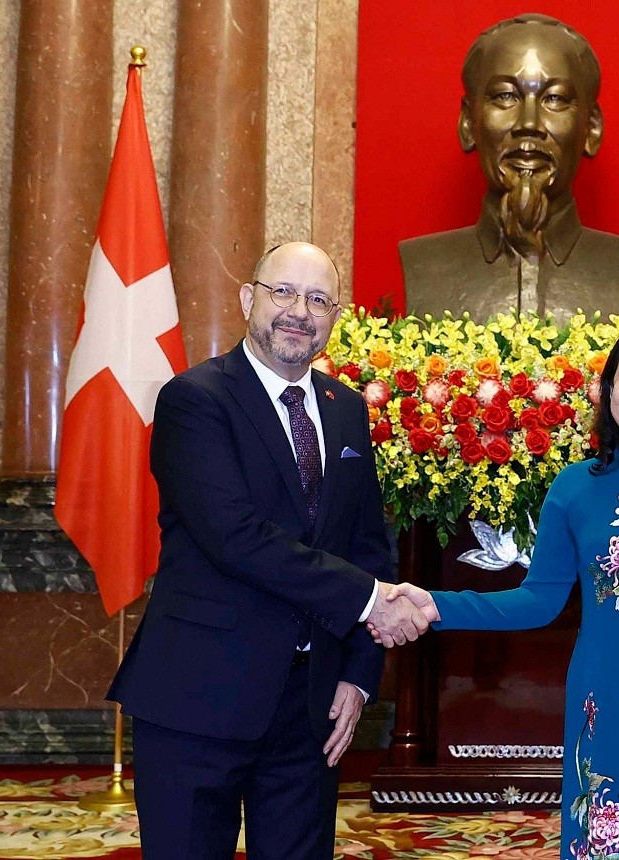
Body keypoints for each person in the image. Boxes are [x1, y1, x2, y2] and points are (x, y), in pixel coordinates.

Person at [378, 320, 619, 859]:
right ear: (608, 391)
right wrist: (435, 603)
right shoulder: (573, 488)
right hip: (604, 698)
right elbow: (537, 600)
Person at [109, 242, 435, 859]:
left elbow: (368, 544)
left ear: (335, 318)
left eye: (318, 300)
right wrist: (373, 603)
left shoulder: (345, 412)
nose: (298, 311)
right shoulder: (194, 401)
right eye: (282, 292)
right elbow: (238, 539)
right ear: (246, 299)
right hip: (198, 700)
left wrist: (358, 676)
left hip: (309, 713)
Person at [399, 14, 619, 323]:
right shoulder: (423, 266)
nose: (529, 124)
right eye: (506, 96)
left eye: (555, 99)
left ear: (592, 128)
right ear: (468, 123)